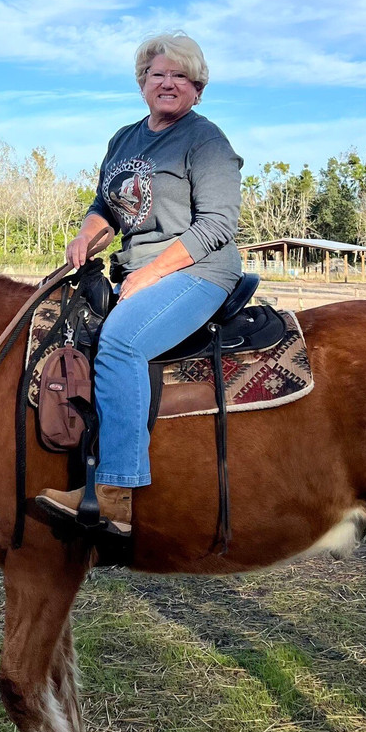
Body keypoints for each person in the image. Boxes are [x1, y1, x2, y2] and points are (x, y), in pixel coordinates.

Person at [36, 32, 244, 536]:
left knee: (122, 343)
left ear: (197, 89)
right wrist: (88, 234)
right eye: (158, 74)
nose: (167, 83)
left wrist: (151, 272)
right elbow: (107, 207)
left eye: (180, 76)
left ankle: (115, 496)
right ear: (142, 83)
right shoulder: (124, 139)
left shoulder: (205, 140)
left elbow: (219, 223)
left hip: (198, 270)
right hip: (134, 271)